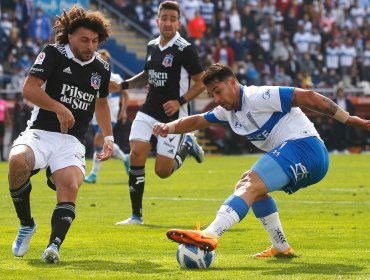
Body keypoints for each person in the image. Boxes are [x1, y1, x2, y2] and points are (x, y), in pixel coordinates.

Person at [153, 63, 370, 257]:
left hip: (306, 148)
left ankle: (210, 233)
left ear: (232, 82)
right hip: (302, 155)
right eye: (211, 94)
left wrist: (349, 119)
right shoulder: (227, 111)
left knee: (251, 183)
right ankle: (281, 246)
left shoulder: (259, 96)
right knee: (246, 183)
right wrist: (169, 127)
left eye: (218, 91)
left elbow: (309, 97)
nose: (216, 99)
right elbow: (197, 121)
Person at [8, 5, 113, 264]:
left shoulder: (101, 67)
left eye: (95, 41)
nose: (90, 46)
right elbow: (29, 89)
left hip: (72, 141)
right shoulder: (53, 53)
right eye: (84, 40)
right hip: (41, 132)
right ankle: (26, 224)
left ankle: (54, 246)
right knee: (17, 161)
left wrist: (109, 138)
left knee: (70, 183)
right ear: (70, 37)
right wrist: (59, 108)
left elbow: (101, 103)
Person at [115, 1, 206, 225]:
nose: (167, 23)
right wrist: (123, 85)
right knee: (136, 153)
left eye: (172, 19)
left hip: (173, 116)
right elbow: (147, 75)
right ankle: (136, 215)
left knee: (162, 171)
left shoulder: (185, 49)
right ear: (157, 21)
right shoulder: (152, 45)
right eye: (164, 18)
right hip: (149, 109)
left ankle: (187, 146)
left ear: (178, 23)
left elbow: (201, 82)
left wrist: (180, 101)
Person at [84, 49, 130, 183]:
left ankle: (93, 174)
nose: (102, 60)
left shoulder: (115, 77)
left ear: (108, 62)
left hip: (111, 114)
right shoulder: (92, 76)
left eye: (105, 59)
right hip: (95, 114)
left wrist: (124, 111)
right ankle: (125, 158)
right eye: (100, 58)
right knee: (102, 143)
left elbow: (125, 93)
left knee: (97, 141)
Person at [332, 87, 355, 153]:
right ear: (337, 93)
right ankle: (336, 149)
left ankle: (345, 149)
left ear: (344, 93)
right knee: (336, 135)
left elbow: (352, 109)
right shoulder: (334, 101)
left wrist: (348, 114)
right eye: (339, 92)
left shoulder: (347, 101)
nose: (340, 94)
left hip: (345, 120)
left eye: (342, 92)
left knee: (345, 135)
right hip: (336, 120)